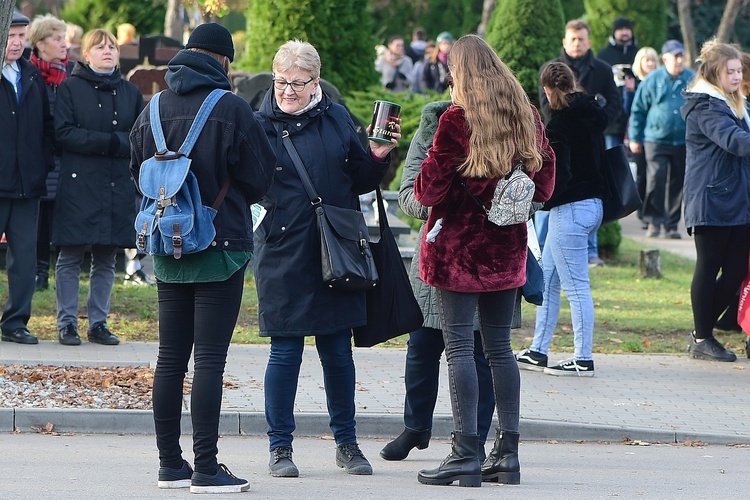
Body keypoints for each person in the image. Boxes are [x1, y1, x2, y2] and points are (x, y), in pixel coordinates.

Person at [130, 22, 276, 493]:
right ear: (224, 62)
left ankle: (170, 466)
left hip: (168, 245)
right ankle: (207, 468)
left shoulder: (154, 105)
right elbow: (259, 179)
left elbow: (138, 170)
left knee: (170, 357)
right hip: (221, 246)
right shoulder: (230, 108)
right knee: (209, 360)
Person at [253, 40, 400, 478]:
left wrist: (378, 156)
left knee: (337, 352)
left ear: (316, 82)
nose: (287, 92)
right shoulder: (257, 124)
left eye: (297, 84)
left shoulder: (337, 118)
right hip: (282, 250)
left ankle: (347, 444)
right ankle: (280, 448)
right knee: (285, 353)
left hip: (335, 250)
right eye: (281, 82)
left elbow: (360, 179)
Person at [413, 34, 555, 487]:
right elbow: (546, 187)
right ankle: (507, 455)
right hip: (506, 251)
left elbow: (428, 190)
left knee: (458, 349)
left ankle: (464, 453)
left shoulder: (456, 120)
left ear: (460, 73)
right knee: (499, 350)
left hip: (457, 251)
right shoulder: (526, 115)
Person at [381, 100, 497, 464]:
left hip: (484, 256)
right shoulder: (433, 123)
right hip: (435, 254)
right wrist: (444, 200)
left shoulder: (503, 118)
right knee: (421, 350)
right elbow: (407, 198)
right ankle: (416, 428)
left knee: (479, 355)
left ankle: (475, 437)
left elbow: (530, 194)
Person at [53, 29, 144, 346]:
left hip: (115, 183)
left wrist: (112, 144)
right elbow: (63, 133)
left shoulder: (130, 92)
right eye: (100, 47)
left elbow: (138, 138)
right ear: (85, 54)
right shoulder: (70, 89)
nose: (108, 51)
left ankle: (98, 323)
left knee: (107, 257)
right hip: (79, 184)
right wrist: (110, 142)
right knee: (70, 255)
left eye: (112, 47)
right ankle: (66, 323)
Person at [516, 62, 607, 377]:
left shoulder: (559, 125)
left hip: (569, 209)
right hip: (592, 205)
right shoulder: (591, 115)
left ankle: (583, 358)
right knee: (550, 280)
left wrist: (540, 199)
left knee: (576, 285)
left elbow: (560, 176)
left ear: (547, 90)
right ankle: (538, 350)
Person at [681, 41, 750, 363]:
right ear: (714, 73)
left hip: (737, 200)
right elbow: (735, 142)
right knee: (708, 269)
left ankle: (704, 330)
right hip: (711, 200)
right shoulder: (706, 106)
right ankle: (702, 337)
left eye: (739, 71)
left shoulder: (735, 102)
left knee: (736, 270)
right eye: (730, 72)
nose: (737, 77)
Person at [537, 19, 620, 267]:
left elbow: (615, 104)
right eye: (572, 39)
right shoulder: (550, 70)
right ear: (564, 41)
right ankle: (539, 251)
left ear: (589, 41)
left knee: (586, 193)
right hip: (563, 138)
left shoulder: (602, 70)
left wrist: (596, 122)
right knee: (552, 204)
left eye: (581, 38)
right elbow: (547, 107)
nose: (576, 43)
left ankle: (591, 250)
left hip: (589, 142)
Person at [0, 12, 54, 345]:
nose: (17, 42)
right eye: (10, 36)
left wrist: (41, 166)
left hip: (26, 185)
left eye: (22, 36)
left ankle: (15, 322)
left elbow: (47, 128)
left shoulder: (33, 77)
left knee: (24, 259)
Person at [629, 40, 695, 240]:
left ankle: (672, 225)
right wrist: (635, 137)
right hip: (655, 139)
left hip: (683, 141)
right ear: (664, 58)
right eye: (675, 56)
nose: (679, 60)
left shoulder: (692, 79)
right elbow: (638, 110)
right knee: (656, 179)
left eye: (681, 56)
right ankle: (653, 221)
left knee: (677, 183)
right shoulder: (653, 79)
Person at [28, 13, 75, 292]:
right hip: (40, 158)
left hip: (66, 157)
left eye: (64, 39)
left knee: (61, 217)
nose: (63, 45)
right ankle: (39, 271)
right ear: (40, 44)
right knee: (39, 219)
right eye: (57, 39)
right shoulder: (31, 76)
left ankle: (60, 271)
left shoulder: (70, 77)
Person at [629, 47, 661, 229]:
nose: (650, 64)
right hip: (638, 136)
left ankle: (652, 213)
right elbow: (631, 112)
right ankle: (642, 211)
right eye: (646, 60)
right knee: (642, 175)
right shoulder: (635, 84)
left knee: (654, 176)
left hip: (654, 137)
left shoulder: (659, 82)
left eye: (653, 60)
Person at [597, 16, 640, 148]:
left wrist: (633, 87)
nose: (625, 32)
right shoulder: (604, 55)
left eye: (627, 29)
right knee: (613, 160)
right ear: (614, 32)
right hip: (612, 122)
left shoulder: (639, 53)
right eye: (621, 29)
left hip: (635, 117)